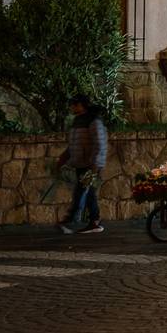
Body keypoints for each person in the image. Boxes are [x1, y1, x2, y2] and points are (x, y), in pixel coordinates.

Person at [57, 95, 107, 235]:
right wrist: (64, 157)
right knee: (88, 192)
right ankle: (95, 222)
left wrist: (95, 165)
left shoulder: (93, 121)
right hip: (80, 163)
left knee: (80, 191)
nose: (71, 107)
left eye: (73, 104)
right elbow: (74, 144)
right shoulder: (77, 121)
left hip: (91, 165)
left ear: (81, 105)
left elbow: (100, 144)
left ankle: (69, 221)